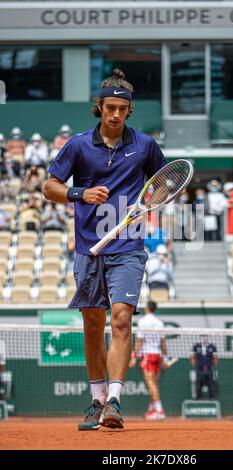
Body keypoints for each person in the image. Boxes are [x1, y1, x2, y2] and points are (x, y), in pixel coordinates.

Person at [42, 69, 166, 430]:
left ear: (129, 110)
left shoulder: (144, 144)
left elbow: (163, 183)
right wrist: (80, 193)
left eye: (122, 108)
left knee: (122, 317)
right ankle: (96, 401)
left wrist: (147, 204)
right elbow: (50, 187)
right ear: (100, 107)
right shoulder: (78, 145)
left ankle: (114, 400)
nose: (115, 114)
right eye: (110, 107)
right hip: (88, 247)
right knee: (93, 324)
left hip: (128, 244)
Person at [129, 300, 168, 420]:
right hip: (157, 355)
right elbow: (163, 342)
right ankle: (152, 410)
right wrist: (165, 358)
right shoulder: (160, 323)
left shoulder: (143, 321)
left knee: (151, 384)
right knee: (154, 384)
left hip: (148, 355)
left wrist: (133, 357)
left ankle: (160, 410)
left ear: (147, 308)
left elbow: (139, 341)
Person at [191, 335, 218, 400]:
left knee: (211, 384)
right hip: (199, 369)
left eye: (205, 337)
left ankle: (211, 398)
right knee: (198, 384)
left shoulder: (212, 347)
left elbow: (215, 358)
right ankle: (198, 398)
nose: (204, 339)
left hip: (209, 369)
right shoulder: (196, 346)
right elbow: (193, 357)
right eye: (202, 337)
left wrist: (213, 366)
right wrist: (195, 365)